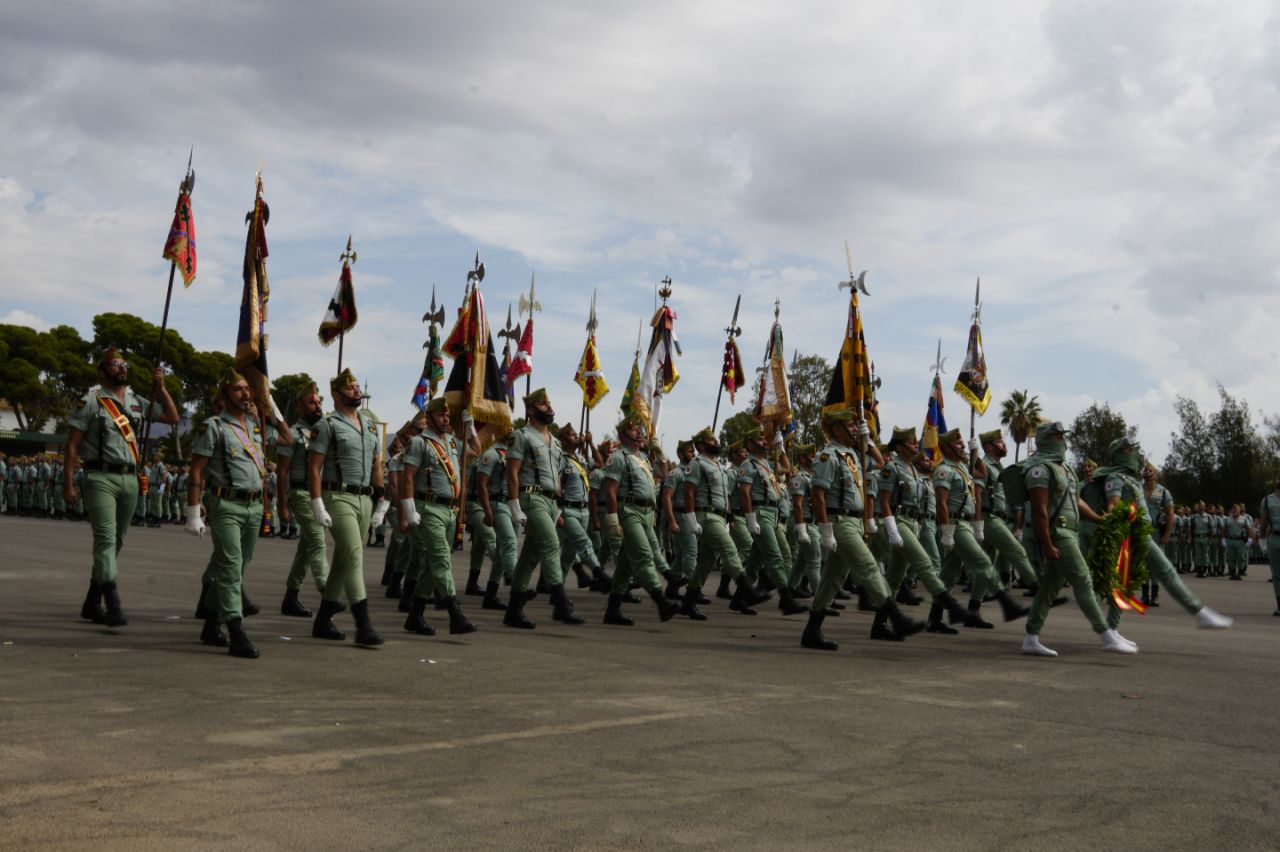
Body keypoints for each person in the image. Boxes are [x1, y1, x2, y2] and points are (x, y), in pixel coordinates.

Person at [64, 348, 178, 627]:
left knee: (116, 542)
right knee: (105, 539)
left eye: (123, 363)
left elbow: (172, 417)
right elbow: (72, 445)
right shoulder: (91, 401)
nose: (121, 367)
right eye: (114, 364)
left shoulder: (138, 401)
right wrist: (68, 483)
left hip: (130, 479)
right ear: (102, 372)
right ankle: (112, 602)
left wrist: (161, 389)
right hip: (100, 476)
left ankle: (92, 601)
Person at [800, 409, 925, 651]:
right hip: (840, 522)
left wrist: (867, 441)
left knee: (832, 579)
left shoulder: (853, 456)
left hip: (855, 522)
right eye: (850, 425)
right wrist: (826, 531)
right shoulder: (828, 456)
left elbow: (878, 463)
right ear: (836, 429)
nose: (855, 428)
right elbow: (818, 495)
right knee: (869, 567)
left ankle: (811, 631)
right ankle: (896, 617)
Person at [1019, 422, 1137, 656]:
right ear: (1047, 439)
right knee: (1083, 580)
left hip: (1071, 531)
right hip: (1059, 534)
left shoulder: (1065, 469)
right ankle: (1106, 635)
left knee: (1049, 588)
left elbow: (1076, 501)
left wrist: (1098, 518)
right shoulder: (1040, 470)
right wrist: (1047, 544)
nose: (1063, 440)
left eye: (1063, 436)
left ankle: (1031, 637)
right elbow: (1040, 511)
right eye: (1058, 436)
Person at [1093, 437, 1231, 635]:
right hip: (1134, 534)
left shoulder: (1131, 480)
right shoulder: (1116, 478)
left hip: (1140, 533)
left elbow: (1167, 510)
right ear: (1119, 454)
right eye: (1128, 450)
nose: (1133, 452)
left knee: (1124, 583)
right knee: (1166, 571)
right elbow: (1112, 505)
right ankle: (1199, 612)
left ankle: (1111, 631)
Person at [185, 369, 269, 658]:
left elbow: (284, 441)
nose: (245, 394)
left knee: (237, 566)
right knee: (232, 567)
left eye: (247, 389)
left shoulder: (255, 428)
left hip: (254, 506)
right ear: (224, 396)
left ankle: (210, 622)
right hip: (226, 506)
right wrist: (193, 512)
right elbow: (196, 470)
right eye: (237, 390)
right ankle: (236, 630)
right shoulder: (214, 427)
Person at [306, 369, 390, 647]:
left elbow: (377, 465)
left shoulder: (368, 425)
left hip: (364, 499)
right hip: (337, 497)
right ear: (336, 394)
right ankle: (363, 624)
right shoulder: (328, 425)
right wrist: (317, 502)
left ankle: (322, 620)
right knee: (354, 556)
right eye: (351, 387)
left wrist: (382, 500)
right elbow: (314, 467)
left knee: (342, 562)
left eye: (357, 387)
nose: (356, 391)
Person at [875, 427, 970, 637]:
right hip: (898, 521)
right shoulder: (892, 468)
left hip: (912, 522)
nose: (915, 445)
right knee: (924, 562)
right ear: (899, 446)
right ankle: (951, 605)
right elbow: (883, 500)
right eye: (910, 443)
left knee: (893, 578)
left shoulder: (915, 471)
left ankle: (879, 625)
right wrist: (891, 528)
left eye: (914, 442)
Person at [398, 396, 479, 636]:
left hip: (450, 510)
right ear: (430, 417)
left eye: (448, 415)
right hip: (428, 508)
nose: (446, 419)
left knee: (434, 566)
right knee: (441, 559)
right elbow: (408, 477)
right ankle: (455, 614)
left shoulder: (453, 443)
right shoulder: (419, 443)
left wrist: (471, 426)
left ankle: (415, 616)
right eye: (441, 415)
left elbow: (475, 450)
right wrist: (409, 509)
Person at [934, 428, 1029, 628]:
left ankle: (937, 618)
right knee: (983, 562)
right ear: (946, 447)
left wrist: (975, 453)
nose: (962, 447)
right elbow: (941, 503)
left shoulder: (961, 468)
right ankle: (1007, 605)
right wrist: (947, 531)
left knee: (949, 574)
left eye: (962, 443)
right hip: (955, 525)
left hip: (965, 523)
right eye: (958, 443)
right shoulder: (944, 470)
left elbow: (982, 472)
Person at [504, 389, 582, 628]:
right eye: (543, 404)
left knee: (529, 557)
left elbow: (557, 479)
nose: (549, 407)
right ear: (530, 410)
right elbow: (512, 472)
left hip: (549, 501)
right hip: (531, 496)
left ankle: (513, 611)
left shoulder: (555, 443)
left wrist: (557, 507)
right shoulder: (522, 436)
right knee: (551, 544)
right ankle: (559, 602)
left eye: (549, 403)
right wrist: (515, 506)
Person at [600, 412, 682, 626]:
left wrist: (658, 450)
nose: (639, 432)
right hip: (629, 511)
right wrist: (612, 520)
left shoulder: (643, 458)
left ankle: (613, 609)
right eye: (634, 429)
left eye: (639, 429)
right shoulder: (618, 457)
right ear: (623, 434)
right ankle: (661, 601)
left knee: (626, 565)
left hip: (647, 514)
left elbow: (663, 473)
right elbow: (610, 491)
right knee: (644, 556)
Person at [737, 424, 808, 615]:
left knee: (754, 563)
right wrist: (751, 519)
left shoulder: (766, 464)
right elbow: (744, 493)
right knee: (775, 557)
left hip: (772, 513)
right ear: (750, 445)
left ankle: (738, 598)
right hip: (760, 513)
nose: (764, 441)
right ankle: (786, 599)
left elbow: (788, 469)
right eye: (759, 439)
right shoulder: (748, 465)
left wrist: (780, 448)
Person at [274, 382, 330, 618]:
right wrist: (282, 505)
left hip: (319, 495)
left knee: (306, 548)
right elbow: (282, 472)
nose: (317, 406)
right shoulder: (292, 433)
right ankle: (329, 594)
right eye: (311, 402)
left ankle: (291, 597)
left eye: (319, 401)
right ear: (300, 406)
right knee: (318, 542)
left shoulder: (324, 431)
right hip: (301, 493)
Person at [1258, 479, 1280, 616]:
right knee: (1277, 575)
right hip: (1275, 538)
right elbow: (1264, 522)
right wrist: (1262, 540)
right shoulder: (1267, 500)